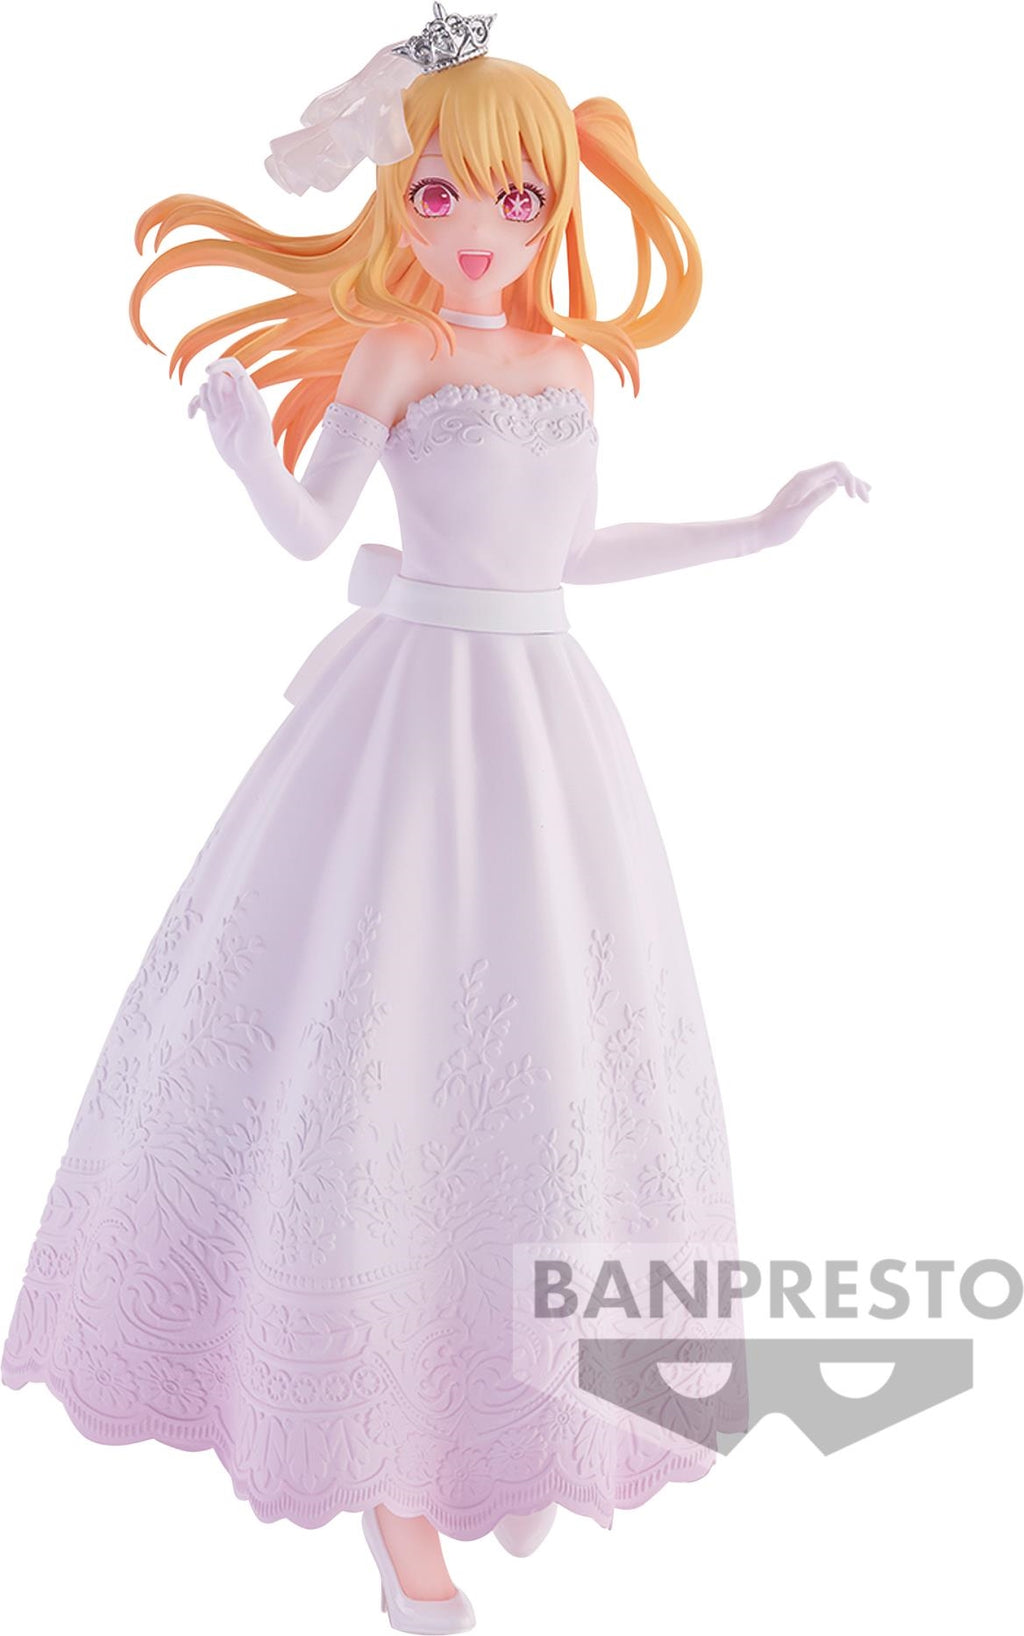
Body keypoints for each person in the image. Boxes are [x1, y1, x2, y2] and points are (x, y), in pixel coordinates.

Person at [1, 9, 868, 1633]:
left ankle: (507, 1422)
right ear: (399, 200)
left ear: (555, 206)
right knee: (382, 1060)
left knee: (548, 1069)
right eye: (442, 195)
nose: (479, 231)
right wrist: (243, 450)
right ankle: (391, 1482)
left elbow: (573, 553)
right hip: (406, 729)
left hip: (547, 733)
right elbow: (307, 530)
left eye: (518, 200)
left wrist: (755, 531)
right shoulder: (397, 354)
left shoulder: (566, 366)